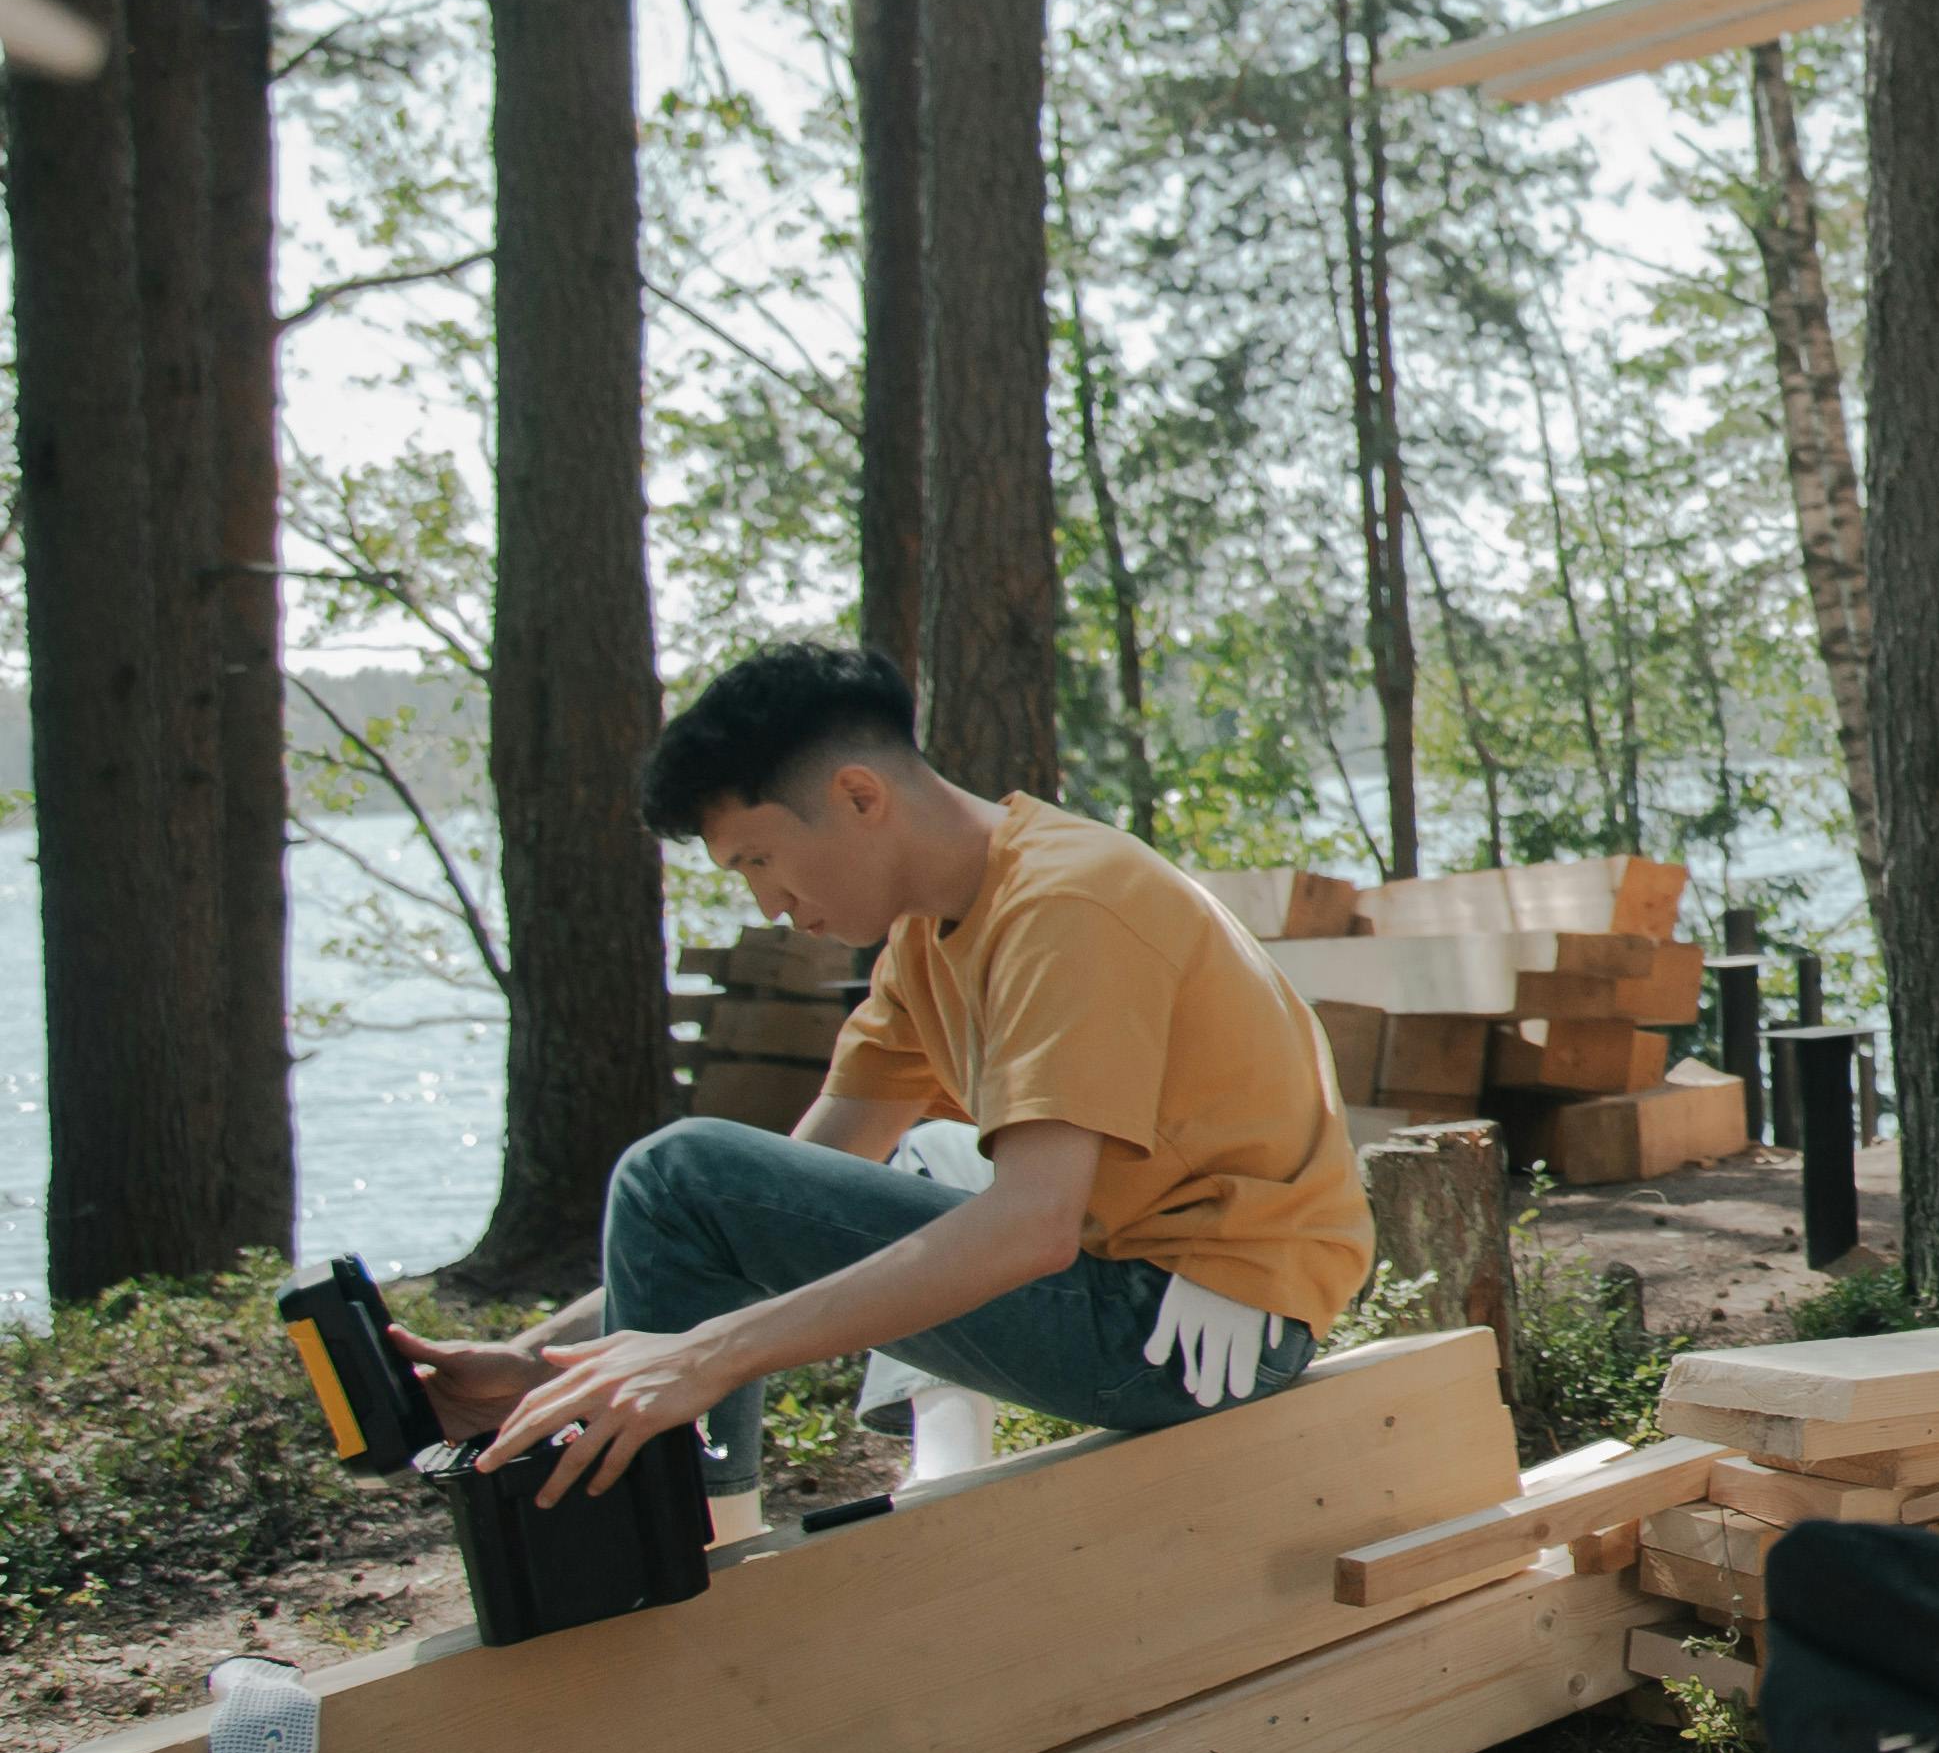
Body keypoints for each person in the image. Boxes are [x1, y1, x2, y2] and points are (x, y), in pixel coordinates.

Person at [395, 641, 1377, 1518]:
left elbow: (1033, 1225)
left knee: (676, 1168)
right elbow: (781, 1188)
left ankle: (678, 1538)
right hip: (1145, 1292)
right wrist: (542, 1358)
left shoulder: (1067, 905)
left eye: (762, 860)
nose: (770, 905)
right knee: (891, 1158)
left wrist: (710, 1354)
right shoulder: (928, 939)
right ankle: (703, 1524)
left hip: (1193, 1333)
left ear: (861, 797)